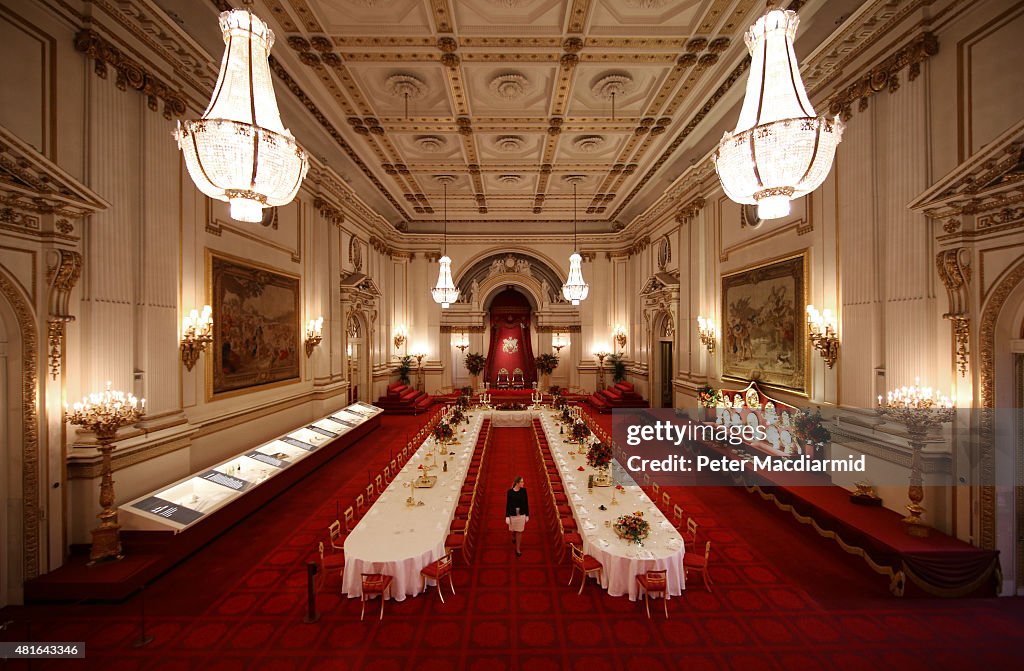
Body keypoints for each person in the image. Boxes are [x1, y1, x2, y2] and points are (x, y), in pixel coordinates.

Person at [505, 476, 529, 557]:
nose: (523, 483)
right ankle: (513, 534)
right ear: (517, 483)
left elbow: (526, 503)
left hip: (521, 515)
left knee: (519, 531)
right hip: (513, 515)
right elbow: (508, 505)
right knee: (514, 530)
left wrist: (527, 515)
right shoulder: (510, 492)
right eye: (522, 482)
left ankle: (518, 549)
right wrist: (507, 516)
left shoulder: (524, 491)